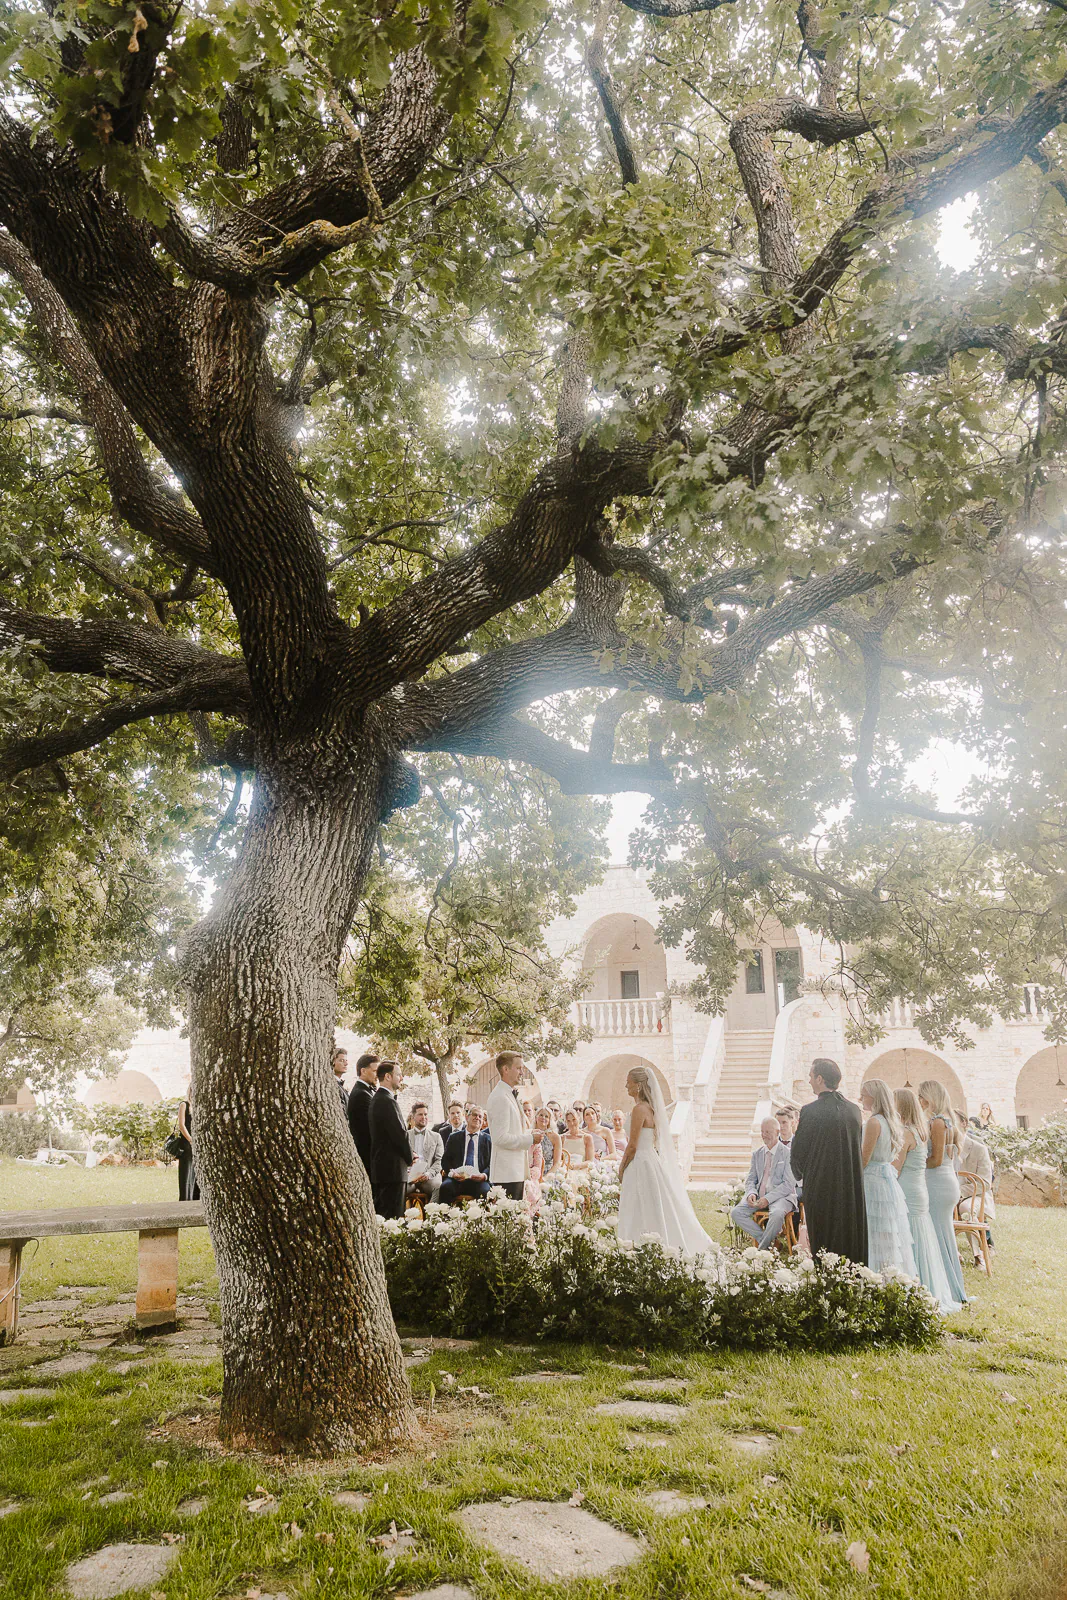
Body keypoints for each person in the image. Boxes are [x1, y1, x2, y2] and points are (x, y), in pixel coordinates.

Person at [617, 1066, 719, 1257]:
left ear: (638, 1086)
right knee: (653, 1203)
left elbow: (632, 1145)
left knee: (640, 1203)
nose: (625, 1086)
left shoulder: (639, 1109)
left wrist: (622, 1167)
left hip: (639, 1161)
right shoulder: (650, 1108)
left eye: (628, 1082)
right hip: (650, 1160)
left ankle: (641, 1243)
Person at [788, 1059, 868, 1265]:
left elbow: (798, 1151)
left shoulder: (810, 1111)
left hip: (821, 1184)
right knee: (849, 1232)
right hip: (851, 1184)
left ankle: (826, 1279)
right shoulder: (854, 1111)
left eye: (811, 1076)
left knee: (823, 1235)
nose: (808, 1080)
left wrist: (803, 1173)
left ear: (820, 1079)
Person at [893, 1088, 962, 1312]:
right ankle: (942, 1286)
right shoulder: (924, 1128)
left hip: (931, 1183)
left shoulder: (930, 1125)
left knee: (926, 1234)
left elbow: (933, 1159)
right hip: (924, 1185)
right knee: (930, 1236)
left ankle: (934, 1286)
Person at [859, 1080, 916, 1277]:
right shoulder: (889, 1121)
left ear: (874, 1098)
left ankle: (875, 1277)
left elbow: (863, 1159)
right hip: (886, 1179)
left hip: (873, 1181)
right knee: (887, 1233)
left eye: (863, 1094)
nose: (860, 1099)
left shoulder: (874, 1122)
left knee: (875, 1232)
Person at [919, 1079, 969, 1304]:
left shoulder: (938, 1123)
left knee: (937, 1235)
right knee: (943, 1234)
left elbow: (936, 1159)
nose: (919, 1101)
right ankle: (951, 1285)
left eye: (921, 1096)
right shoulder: (947, 1121)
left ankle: (946, 1288)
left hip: (938, 1183)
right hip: (945, 1182)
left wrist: (915, 1161)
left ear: (929, 1098)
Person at [730, 1116, 798, 1250]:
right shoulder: (757, 1154)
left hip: (781, 1197)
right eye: (762, 1131)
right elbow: (751, 1179)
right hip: (759, 1197)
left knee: (777, 1214)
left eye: (767, 1132)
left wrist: (768, 1199)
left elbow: (788, 1184)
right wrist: (751, 1193)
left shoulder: (788, 1154)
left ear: (777, 1133)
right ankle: (771, 1244)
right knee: (736, 1213)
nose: (764, 1135)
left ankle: (761, 1249)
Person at [486, 1051, 535, 1201]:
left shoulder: (508, 1094)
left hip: (514, 1170)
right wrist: (530, 1139)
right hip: (506, 1173)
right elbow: (500, 1138)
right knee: (507, 1221)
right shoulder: (500, 1097)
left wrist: (532, 1133)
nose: (522, 1072)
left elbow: (514, 1129)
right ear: (506, 1069)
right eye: (519, 1068)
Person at [368, 1060, 411, 1219]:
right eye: (398, 1074)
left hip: (383, 1169)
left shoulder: (378, 1099)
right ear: (387, 1076)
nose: (401, 1078)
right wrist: (410, 1157)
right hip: (392, 1170)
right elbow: (400, 1135)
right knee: (393, 1218)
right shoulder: (387, 1101)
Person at [954, 1108, 995, 1264]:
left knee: (966, 1209)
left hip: (976, 1195)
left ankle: (978, 1256)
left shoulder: (979, 1149)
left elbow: (985, 1183)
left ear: (964, 1123)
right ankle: (952, 1252)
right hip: (950, 1195)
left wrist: (959, 1192)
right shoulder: (944, 1148)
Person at [440, 1106, 493, 1204]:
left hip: (479, 1181)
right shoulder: (454, 1137)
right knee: (445, 1187)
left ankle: (481, 1219)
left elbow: (492, 1163)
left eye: (480, 1117)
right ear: (467, 1118)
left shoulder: (488, 1139)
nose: (477, 1118)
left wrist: (484, 1175)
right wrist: (452, 1173)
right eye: (474, 1115)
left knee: (486, 1192)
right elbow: (445, 1161)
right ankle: (445, 1218)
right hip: (457, 1180)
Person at [347, 1051, 379, 1172]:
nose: (377, 1075)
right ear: (363, 1071)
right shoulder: (361, 1094)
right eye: (375, 1071)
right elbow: (369, 1129)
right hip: (367, 1156)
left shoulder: (365, 1091)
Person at [407, 1100, 444, 1205]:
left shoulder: (436, 1136)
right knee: (398, 1187)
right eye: (420, 1114)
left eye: (425, 1114)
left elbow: (439, 1161)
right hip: (410, 1176)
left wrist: (428, 1174)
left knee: (438, 1186)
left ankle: (431, 1217)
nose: (423, 1117)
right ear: (413, 1116)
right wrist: (409, 1172)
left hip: (429, 1176)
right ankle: (401, 1219)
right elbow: (401, 1159)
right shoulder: (405, 1136)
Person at [176, 1095, 199, 1202]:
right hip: (187, 1143)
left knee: (196, 1173)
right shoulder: (184, 1105)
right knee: (186, 1174)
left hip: (198, 1143)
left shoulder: (198, 1105)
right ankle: (185, 1200)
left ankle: (196, 1199)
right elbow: (181, 1125)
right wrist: (190, 1140)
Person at [561, 1108, 594, 1175]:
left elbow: (590, 1160)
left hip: (581, 1172)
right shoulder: (561, 1138)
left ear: (578, 1119)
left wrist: (575, 1166)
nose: (572, 1123)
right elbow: (558, 1159)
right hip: (565, 1171)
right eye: (569, 1121)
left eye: (574, 1120)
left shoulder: (587, 1137)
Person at [533, 1106, 562, 1175]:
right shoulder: (529, 1134)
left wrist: (546, 1178)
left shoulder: (555, 1137)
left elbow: (557, 1163)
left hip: (549, 1173)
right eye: (541, 1115)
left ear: (549, 1120)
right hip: (531, 1171)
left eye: (546, 1116)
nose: (543, 1118)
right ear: (536, 1117)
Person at [332, 1046, 349, 1115]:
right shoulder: (332, 1085)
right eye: (341, 1060)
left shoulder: (339, 1083)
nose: (346, 1064)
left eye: (346, 1060)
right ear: (332, 1062)